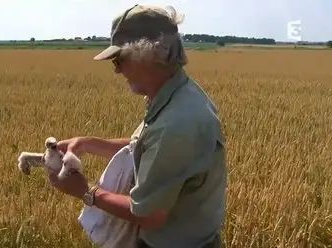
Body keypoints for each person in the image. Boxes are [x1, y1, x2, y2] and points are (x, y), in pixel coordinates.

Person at [45, 4, 227, 248]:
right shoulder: (177, 95)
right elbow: (147, 148)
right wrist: (88, 144)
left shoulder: (177, 123)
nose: (116, 69)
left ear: (149, 54)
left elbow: (149, 215)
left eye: (120, 58)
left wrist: (87, 192)